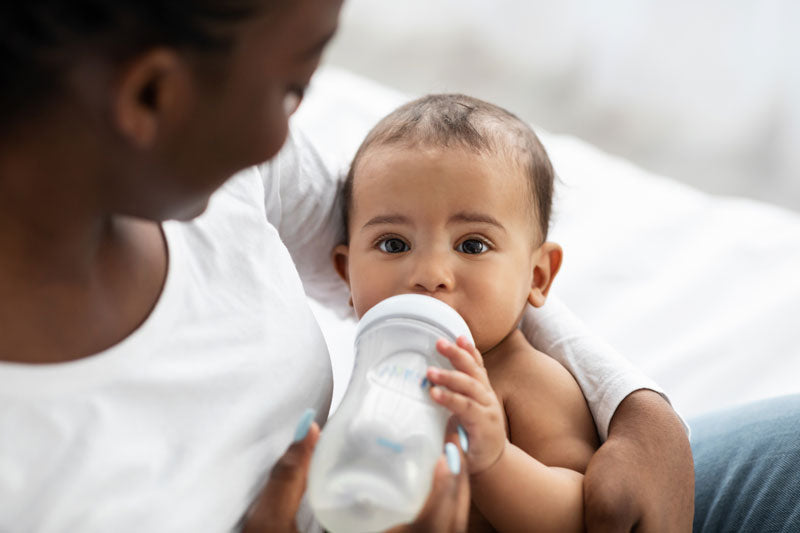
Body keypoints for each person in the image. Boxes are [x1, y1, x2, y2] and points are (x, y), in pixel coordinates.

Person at [0, 0, 718, 531]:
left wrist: (637, 408)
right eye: (290, 88)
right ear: (153, 95)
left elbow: (445, 261)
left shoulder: (228, 173)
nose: (288, 138)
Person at [331, 93, 602, 531]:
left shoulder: (530, 381)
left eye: (472, 245)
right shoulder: (376, 371)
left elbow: (580, 515)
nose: (430, 274)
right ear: (346, 273)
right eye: (393, 244)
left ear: (537, 276)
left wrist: (496, 459)